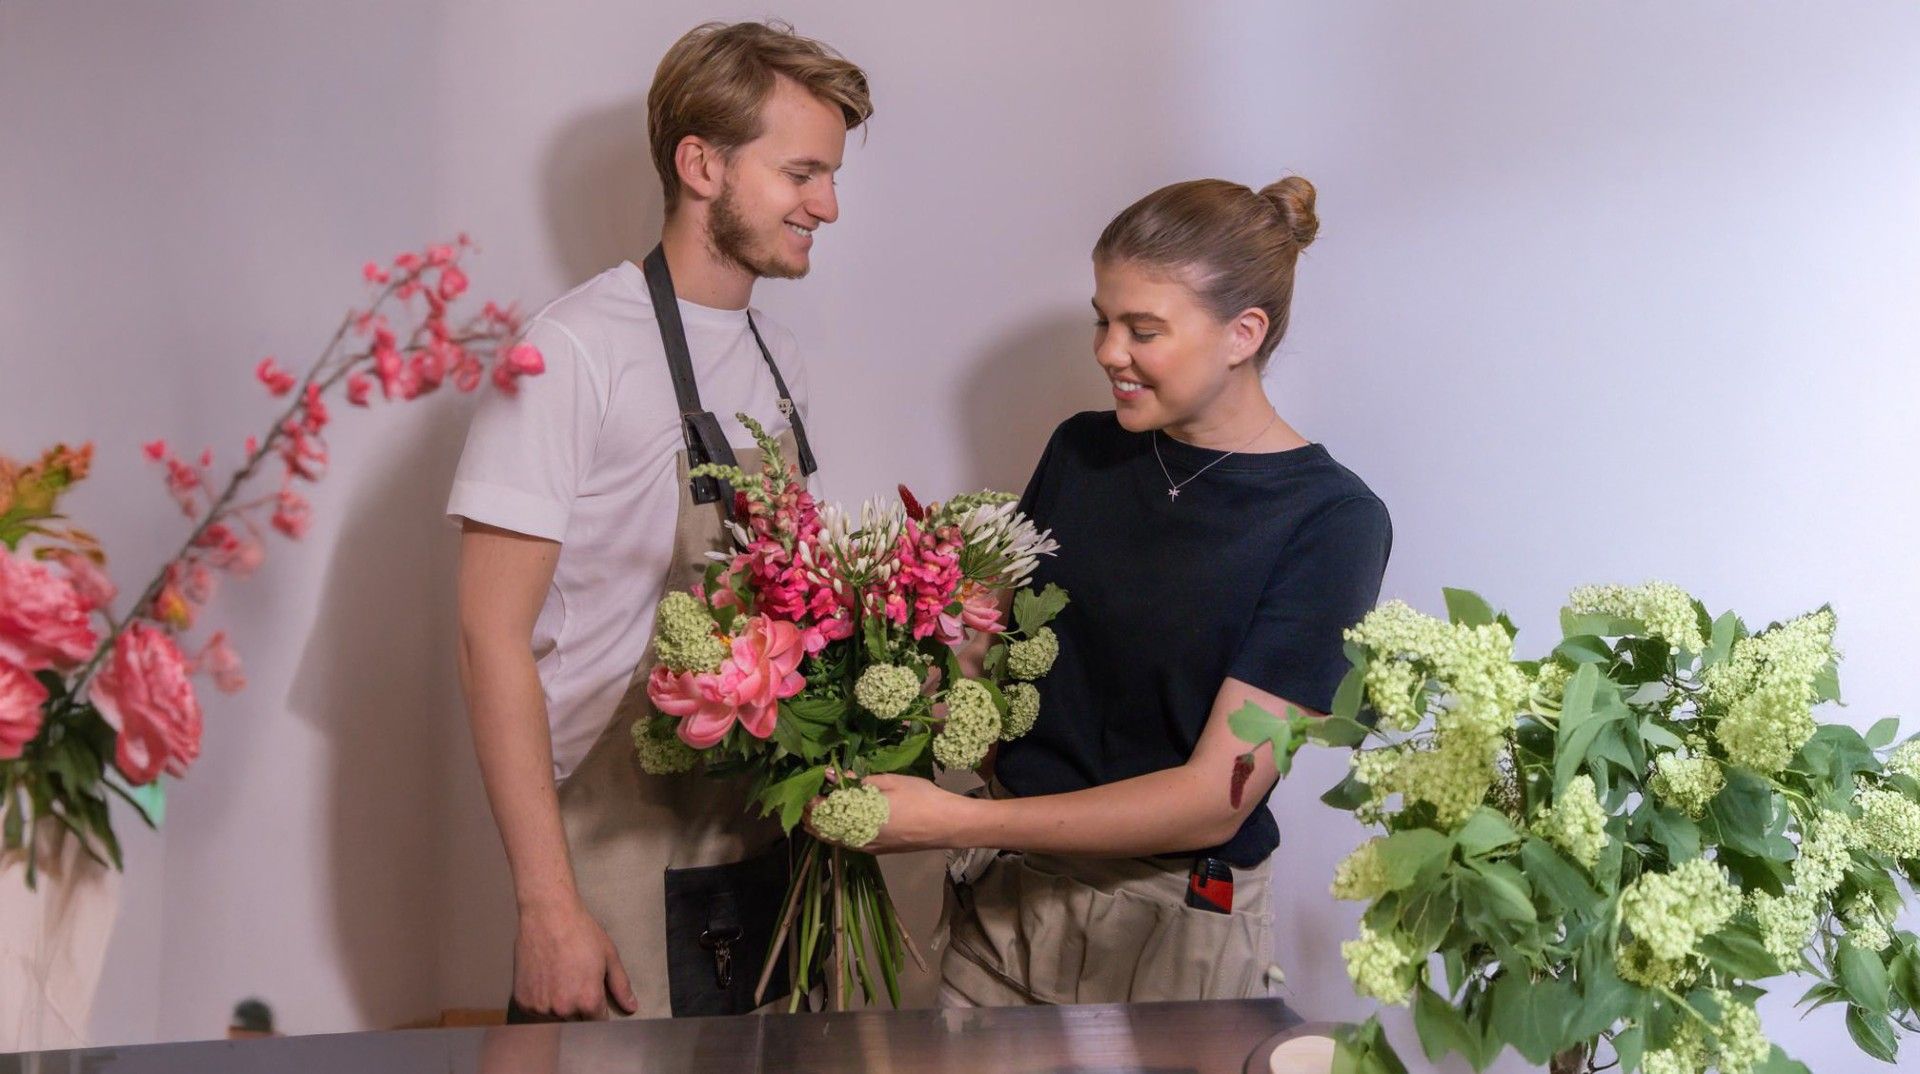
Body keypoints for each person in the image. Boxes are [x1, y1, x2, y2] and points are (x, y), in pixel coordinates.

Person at [833, 176, 1391, 1007]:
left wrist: (954, 822)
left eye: (1143, 329)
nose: (1106, 351)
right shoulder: (1083, 451)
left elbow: (1212, 802)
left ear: (1243, 333)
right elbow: (999, 661)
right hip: (1004, 903)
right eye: (1103, 318)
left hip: (1171, 930)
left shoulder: (1331, 521)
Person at [449, 20, 871, 1020]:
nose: (830, 205)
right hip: (613, 850)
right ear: (701, 164)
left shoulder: (779, 361)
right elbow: (486, 638)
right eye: (802, 173)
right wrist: (548, 909)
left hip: (762, 827)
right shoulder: (568, 355)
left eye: (832, 176)